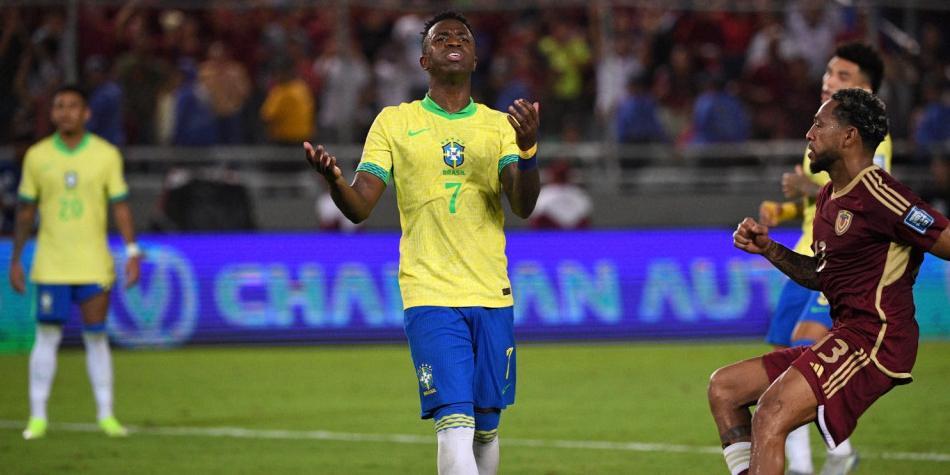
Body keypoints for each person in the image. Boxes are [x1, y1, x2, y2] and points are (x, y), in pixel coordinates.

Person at [303, 12, 540, 475]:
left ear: (474, 58)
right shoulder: (394, 122)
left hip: (491, 292)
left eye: (463, 37)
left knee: (486, 428)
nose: (453, 41)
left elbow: (523, 204)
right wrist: (334, 181)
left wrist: (528, 151)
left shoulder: (498, 126)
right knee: (454, 424)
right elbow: (359, 205)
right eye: (441, 37)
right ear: (423, 60)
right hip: (429, 293)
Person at [710, 88, 950, 475]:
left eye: (819, 124)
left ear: (849, 136)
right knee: (725, 388)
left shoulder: (882, 195)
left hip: (877, 338)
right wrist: (770, 249)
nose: (809, 134)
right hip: (845, 333)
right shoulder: (829, 198)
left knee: (771, 412)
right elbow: (822, 277)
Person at [757, 42, 888, 475]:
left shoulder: (871, 138)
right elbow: (824, 199)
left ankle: (831, 454)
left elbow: (868, 194)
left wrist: (806, 188)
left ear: (866, 91)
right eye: (829, 72)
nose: (829, 80)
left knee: (804, 347)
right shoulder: (823, 128)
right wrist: (785, 210)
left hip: (840, 260)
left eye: (843, 76)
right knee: (785, 357)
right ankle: (808, 461)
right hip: (804, 253)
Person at [9, 85, 142, 440]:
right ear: (52, 113)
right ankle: (37, 417)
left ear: (86, 113)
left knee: (96, 336)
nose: (65, 112)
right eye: (59, 106)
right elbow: (26, 211)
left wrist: (132, 251)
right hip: (52, 263)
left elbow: (121, 206)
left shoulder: (105, 155)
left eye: (72, 106)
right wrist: (16, 259)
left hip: (93, 262)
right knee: (47, 335)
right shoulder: (37, 156)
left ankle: (106, 415)